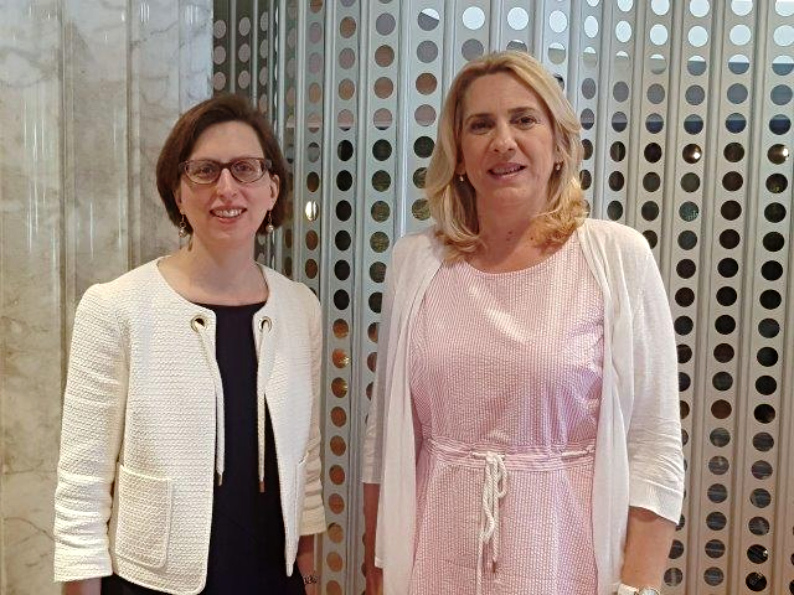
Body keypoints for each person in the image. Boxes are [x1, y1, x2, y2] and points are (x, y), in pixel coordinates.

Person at [362, 51, 684, 595]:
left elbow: (654, 444)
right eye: (480, 125)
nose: (503, 141)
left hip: (566, 561)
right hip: (432, 558)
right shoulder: (416, 261)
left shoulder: (615, 256)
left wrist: (638, 587)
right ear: (458, 155)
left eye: (524, 119)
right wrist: (377, 570)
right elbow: (386, 438)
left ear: (558, 146)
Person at [53, 94, 325, 595]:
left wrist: (307, 575)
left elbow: (305, 464)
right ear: (178, 193)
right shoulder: (116, 307)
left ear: (272, 189)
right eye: (204, 170)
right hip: (152, 582)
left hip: (272, 577)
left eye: (245, 168)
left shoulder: (299, 307)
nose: (226, 188)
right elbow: (82, 485)